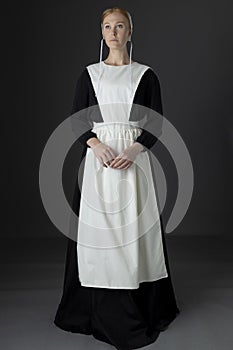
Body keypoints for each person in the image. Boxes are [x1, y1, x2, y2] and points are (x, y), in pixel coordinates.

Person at [54, 6, 180, 350]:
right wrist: (95, 144)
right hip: (99, 164)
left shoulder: (146, 75)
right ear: (102, 32)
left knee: (135, 233)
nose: (113, 32)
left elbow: (155, 123)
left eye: (119, 26)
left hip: (134, 163)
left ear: (130, 32)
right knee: (98, 237)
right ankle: (99, 303)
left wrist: (135, 150)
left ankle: (138, 301)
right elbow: (78, 120)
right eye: (107, 26)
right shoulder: (90, 75)